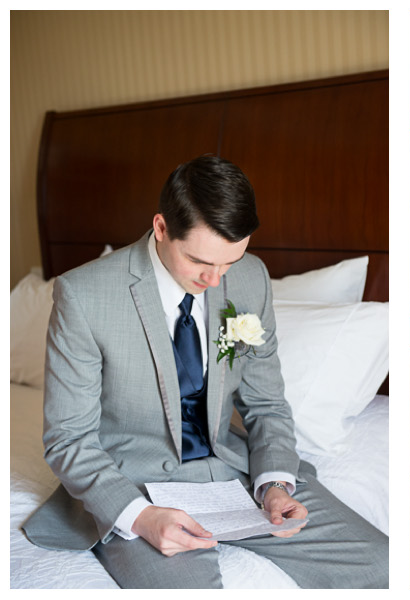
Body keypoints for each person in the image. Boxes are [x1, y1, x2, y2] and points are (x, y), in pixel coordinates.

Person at [22, 156, 388, 588]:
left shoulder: (251, 278)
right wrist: (139, 517)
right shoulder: (84, 295)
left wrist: (274, 485)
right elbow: (69, 438)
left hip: (235, 473)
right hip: (133, 483)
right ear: (161, 228)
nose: (215, 281)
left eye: (230, 262)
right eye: (200, 261)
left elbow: (267, 404)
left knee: (381, 565)